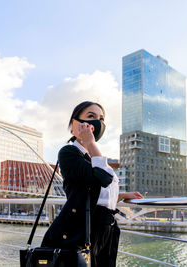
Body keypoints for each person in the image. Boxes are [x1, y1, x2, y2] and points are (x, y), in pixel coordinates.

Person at [41, 101, 143, 267]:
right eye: (91, 116)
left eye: (101, 118)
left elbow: (96, 192)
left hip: (105, 228)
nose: (98, 122)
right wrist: (90, 143)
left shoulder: (92, 156)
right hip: (83, 229)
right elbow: (103, 177)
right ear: (75, 124)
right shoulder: (69, 153)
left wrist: (121, 195)